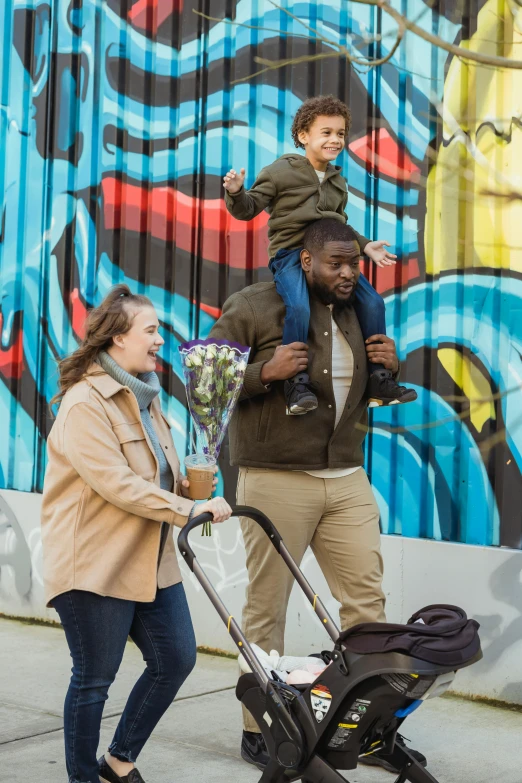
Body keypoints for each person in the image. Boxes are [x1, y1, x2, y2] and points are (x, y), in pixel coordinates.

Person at [209, 219, 426, 775]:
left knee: (368, 610)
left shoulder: (358, 310)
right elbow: (203, 381)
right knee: (267, 608)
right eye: (337, 263)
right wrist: (264, 372)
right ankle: (262, 731)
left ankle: (370, 731)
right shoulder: (256, 306)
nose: (349, 272)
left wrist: (388, 369)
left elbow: (356, 392)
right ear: (306, 261)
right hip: (276, 477)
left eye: (354, 262)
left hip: (347, 477)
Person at [41, 284, 232, 783]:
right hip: (95, 565)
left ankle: (118, 762)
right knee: (94, 680)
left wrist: (194, 480)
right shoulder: (86, 404)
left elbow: (154, 475)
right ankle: (83, 777)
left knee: (176, 658)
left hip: (149, 559)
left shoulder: (144, 399)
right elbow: (118, 484)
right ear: (118, 338)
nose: (160, 341)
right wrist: (189, 508)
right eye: (151, 331)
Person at [223, 94, 417, 415]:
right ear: (303, 136)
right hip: (291, 255)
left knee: (373, 302)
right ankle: (296, 382)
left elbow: (338, 225)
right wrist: (236, 192)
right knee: (299, 306)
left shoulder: (337, 181)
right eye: (326, 132)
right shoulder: (280, 172)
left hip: (330, 259)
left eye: (340, 133)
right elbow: (249, 207)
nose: (335, 139)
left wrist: (365, 246)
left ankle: (378, 378)